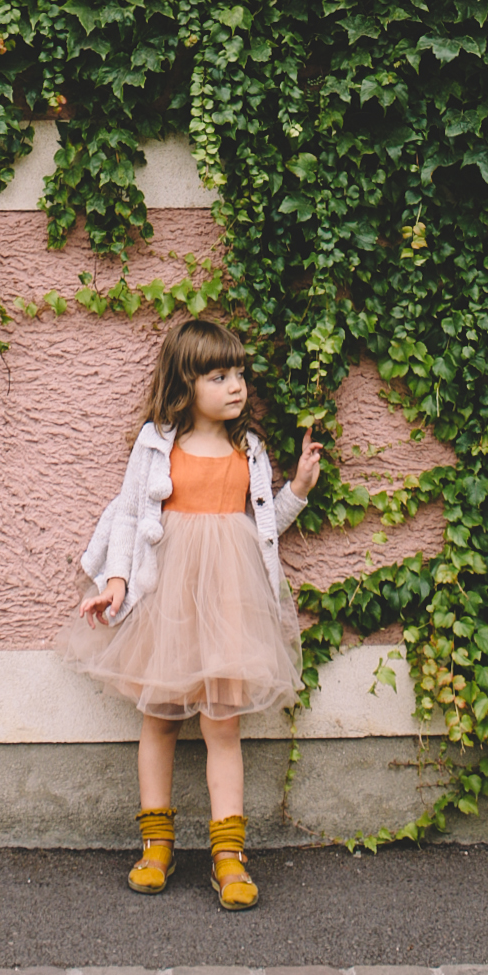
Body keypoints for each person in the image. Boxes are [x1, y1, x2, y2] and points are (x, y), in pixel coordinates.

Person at [56, 314, 321, 908]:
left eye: (240, 375)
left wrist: (298, 487)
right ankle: (156, 843)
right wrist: (116, 583)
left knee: (222, 726)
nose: (236, 387)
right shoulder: (155, 446)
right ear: (186, 381)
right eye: (220, 375)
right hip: (167, 600)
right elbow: (127, 516)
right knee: (160, 718)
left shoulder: (248, 452)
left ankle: (229, 855)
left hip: (229, 602)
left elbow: (263, 530)